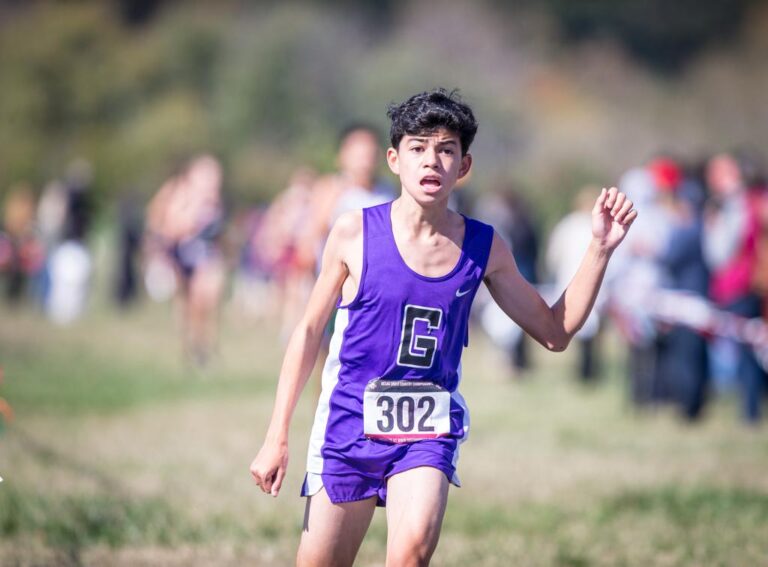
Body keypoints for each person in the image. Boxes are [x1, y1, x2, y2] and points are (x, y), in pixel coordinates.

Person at [249, 89, 637, 566]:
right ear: (394, 159)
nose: (431, 161)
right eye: (417, 148)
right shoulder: (354, 233)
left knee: (411, 552)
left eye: (446, 149)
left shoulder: (484, 246)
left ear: (464, 165)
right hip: (347, 426)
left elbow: (555, 332)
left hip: (426, 434)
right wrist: (277, 435)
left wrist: (600, 248)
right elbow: (308, 332)